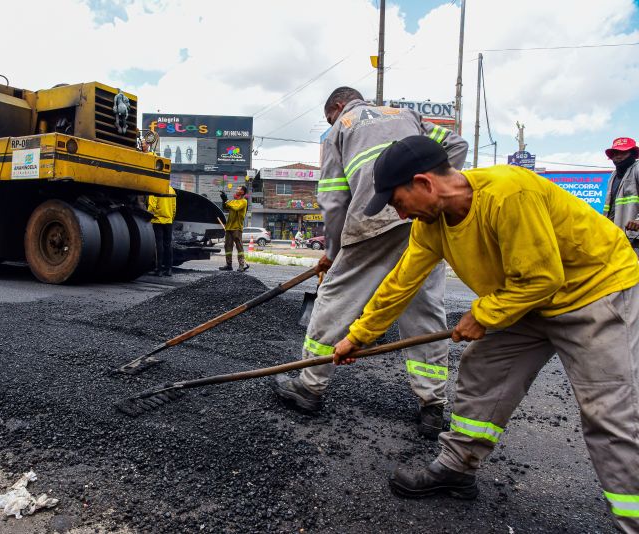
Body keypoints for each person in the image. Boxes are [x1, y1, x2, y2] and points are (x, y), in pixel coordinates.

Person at [331, 135, 639, 533]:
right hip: (525, 298)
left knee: (610, 412)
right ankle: (456, 468)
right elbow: (401, 282)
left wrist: (484, 313)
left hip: (595, 292)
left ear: (424, 184)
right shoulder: (433, 224)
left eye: (399, 203)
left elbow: (543, 277)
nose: (401, 214)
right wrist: (359, 336)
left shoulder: (510, 193)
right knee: (483, 375)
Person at [270, 87, 468, 439]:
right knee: (424, 311)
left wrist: (332, 251)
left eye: (329, 117)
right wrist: (430, 191)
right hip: (423, 217)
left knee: (335, 299)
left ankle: (309, 385)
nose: (331, 121)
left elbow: (332, 198)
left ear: (335, 107)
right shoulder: (404, 115)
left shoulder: (341, 126)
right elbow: (456, 145)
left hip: (372, 221)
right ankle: (432, 407)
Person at [603, 137, 639, 254]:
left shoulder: (637, 169)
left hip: (635, 238)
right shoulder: (613, 176)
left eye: (623, 152)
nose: (618, 156)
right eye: (615, 153)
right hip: (617, 236)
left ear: (633, 154)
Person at [147, 185, 176, 276]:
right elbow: (174, 207)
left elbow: (152, 207)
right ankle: (169, 269)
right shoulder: (172, 190)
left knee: (159, 244)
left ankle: (158, 270)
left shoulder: (155, 189)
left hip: (157, 220)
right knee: (168, 244)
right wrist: (171, 217)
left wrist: (148, 217)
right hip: (169, 221)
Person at [219, 186, 249, 272]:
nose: (236, 190)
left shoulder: (244, 201)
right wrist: (224, 200)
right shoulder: (233, 201)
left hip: (237, 227)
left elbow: (236, 207)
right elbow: (226, 207)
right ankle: (228, 265)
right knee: (228, 247)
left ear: (242, 192)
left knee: (239, 247)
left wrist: (227, 201)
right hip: (229, 227)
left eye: (238, 189)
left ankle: (241, 265)